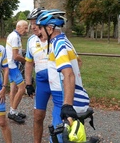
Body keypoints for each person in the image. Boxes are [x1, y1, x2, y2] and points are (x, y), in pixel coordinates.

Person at [36, 9, 90, 142]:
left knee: (58, 139)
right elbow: (78, 62)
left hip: (66, 100)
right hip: (73, 98)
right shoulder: (65, 41)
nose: (38, 33)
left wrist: (67, 105)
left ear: (49, 29)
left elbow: (69, 74)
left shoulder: (58, 44)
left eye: (40, 29)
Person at [25, 7, 54, 143]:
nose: (33, 27)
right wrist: (28, 83)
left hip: (58, 82)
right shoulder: (31, 40)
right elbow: (29, 63)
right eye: (31, 24)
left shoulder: (55, 38)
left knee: (61, 116)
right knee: (38, 117)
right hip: (42, 83)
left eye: (35, 23)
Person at [5, 20, 29, 124]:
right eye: (25, 28)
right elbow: (15, 56)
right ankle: (12, 112)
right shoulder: (15, 37)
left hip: (11, 65)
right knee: (22, 88)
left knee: (13, 88)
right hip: (13, 66)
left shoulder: (15, 35)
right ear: (18, 27)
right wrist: (27, 61)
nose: (27, 30)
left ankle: (13, 110)